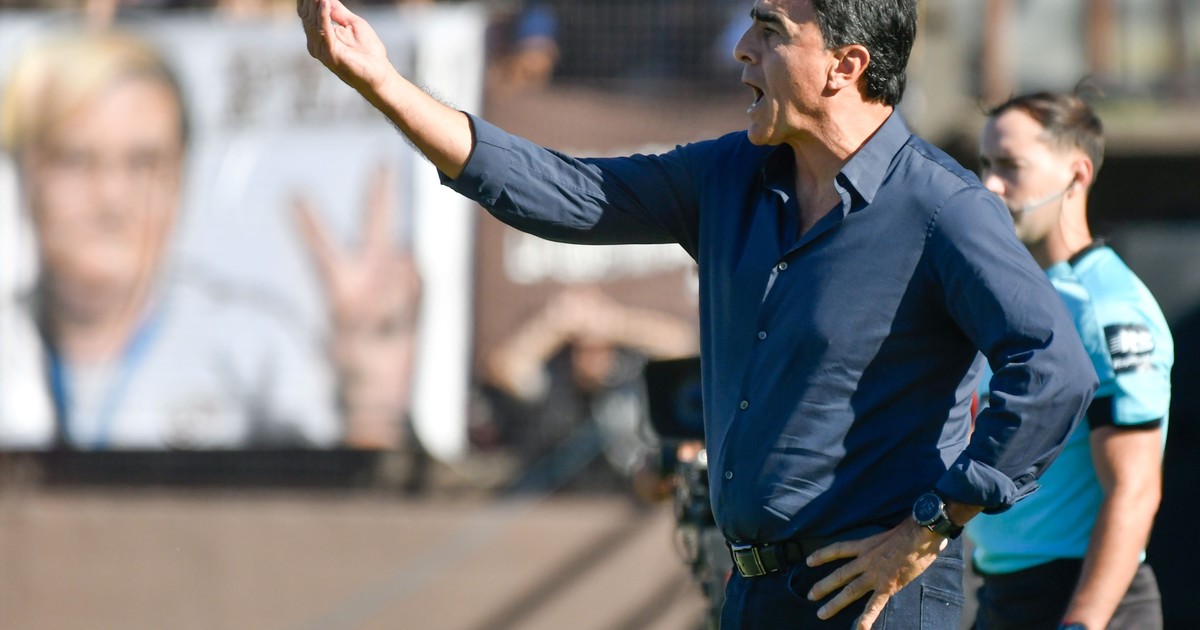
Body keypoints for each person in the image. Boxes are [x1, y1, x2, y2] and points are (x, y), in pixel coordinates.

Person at [299, 0, 1097, 627]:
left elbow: (1054, 371)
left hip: (877, 598)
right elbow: (563, 192)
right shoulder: (729, 175)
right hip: (751, 590)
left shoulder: (944, 208)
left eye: (770, 30)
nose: (741, 49)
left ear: (845, 65)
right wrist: (383, 83)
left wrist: (930, 526)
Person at [0, 30, 418, 450]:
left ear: (179, 176)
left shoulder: (255, 350)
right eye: (76, 160)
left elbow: (344, 487)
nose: (112, 198)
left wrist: (370, 400)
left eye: (144, 163)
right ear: (25, 173)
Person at [967, 90, 1173, 630]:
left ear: (1077, 175)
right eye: (985, 164)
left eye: (1010, 166)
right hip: (1004, 596)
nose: (990, 185)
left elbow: (1134, 489)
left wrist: (1083, 622)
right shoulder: (1008, 296)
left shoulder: (1106, 308)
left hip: (1086, 601)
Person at [478, 286, 696, 489]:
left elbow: (682, 343)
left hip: (622, 497)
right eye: (583, 348)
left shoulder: (626, 380)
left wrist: (615, 323)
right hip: (555, 503)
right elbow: (505, 367)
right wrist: (554, 324)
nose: (592, 359)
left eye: (600, 349)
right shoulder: (554, 383)